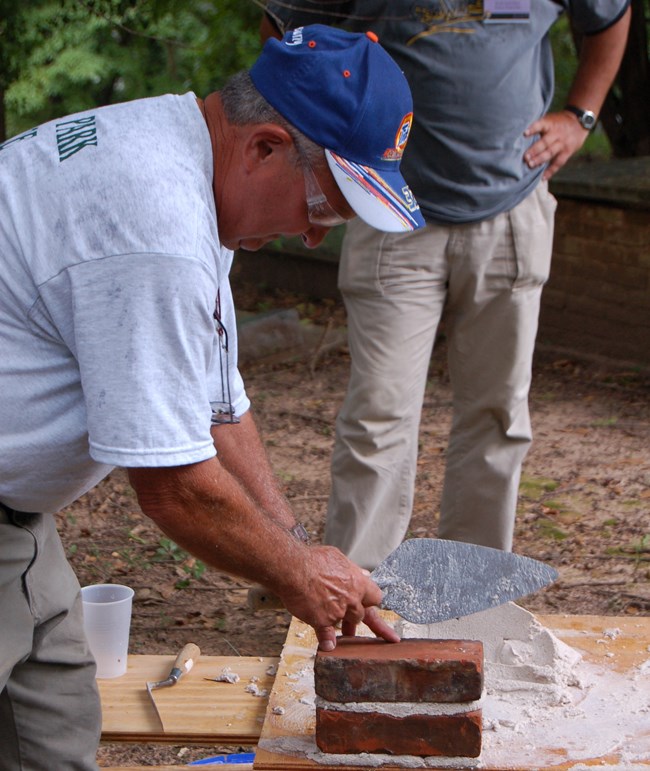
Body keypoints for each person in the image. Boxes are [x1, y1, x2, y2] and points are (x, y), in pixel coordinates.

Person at [0, 25, 426, 770]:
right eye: (322, 209)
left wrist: (298, 544)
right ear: (264, 148)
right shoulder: (155, 227)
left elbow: (217, 406)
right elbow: (173, 487)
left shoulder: (181, 152)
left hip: (18, 516)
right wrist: (298, 575)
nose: (312, 238)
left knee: (55, 713)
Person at [261, 2, 631, 570]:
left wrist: (581, 116)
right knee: (377, 414)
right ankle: (358, 595)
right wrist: (319, 135)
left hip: (510, 207)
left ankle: (473, 591)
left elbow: (610, 14)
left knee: (498, 415)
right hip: (389, 209)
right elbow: (282, 30)